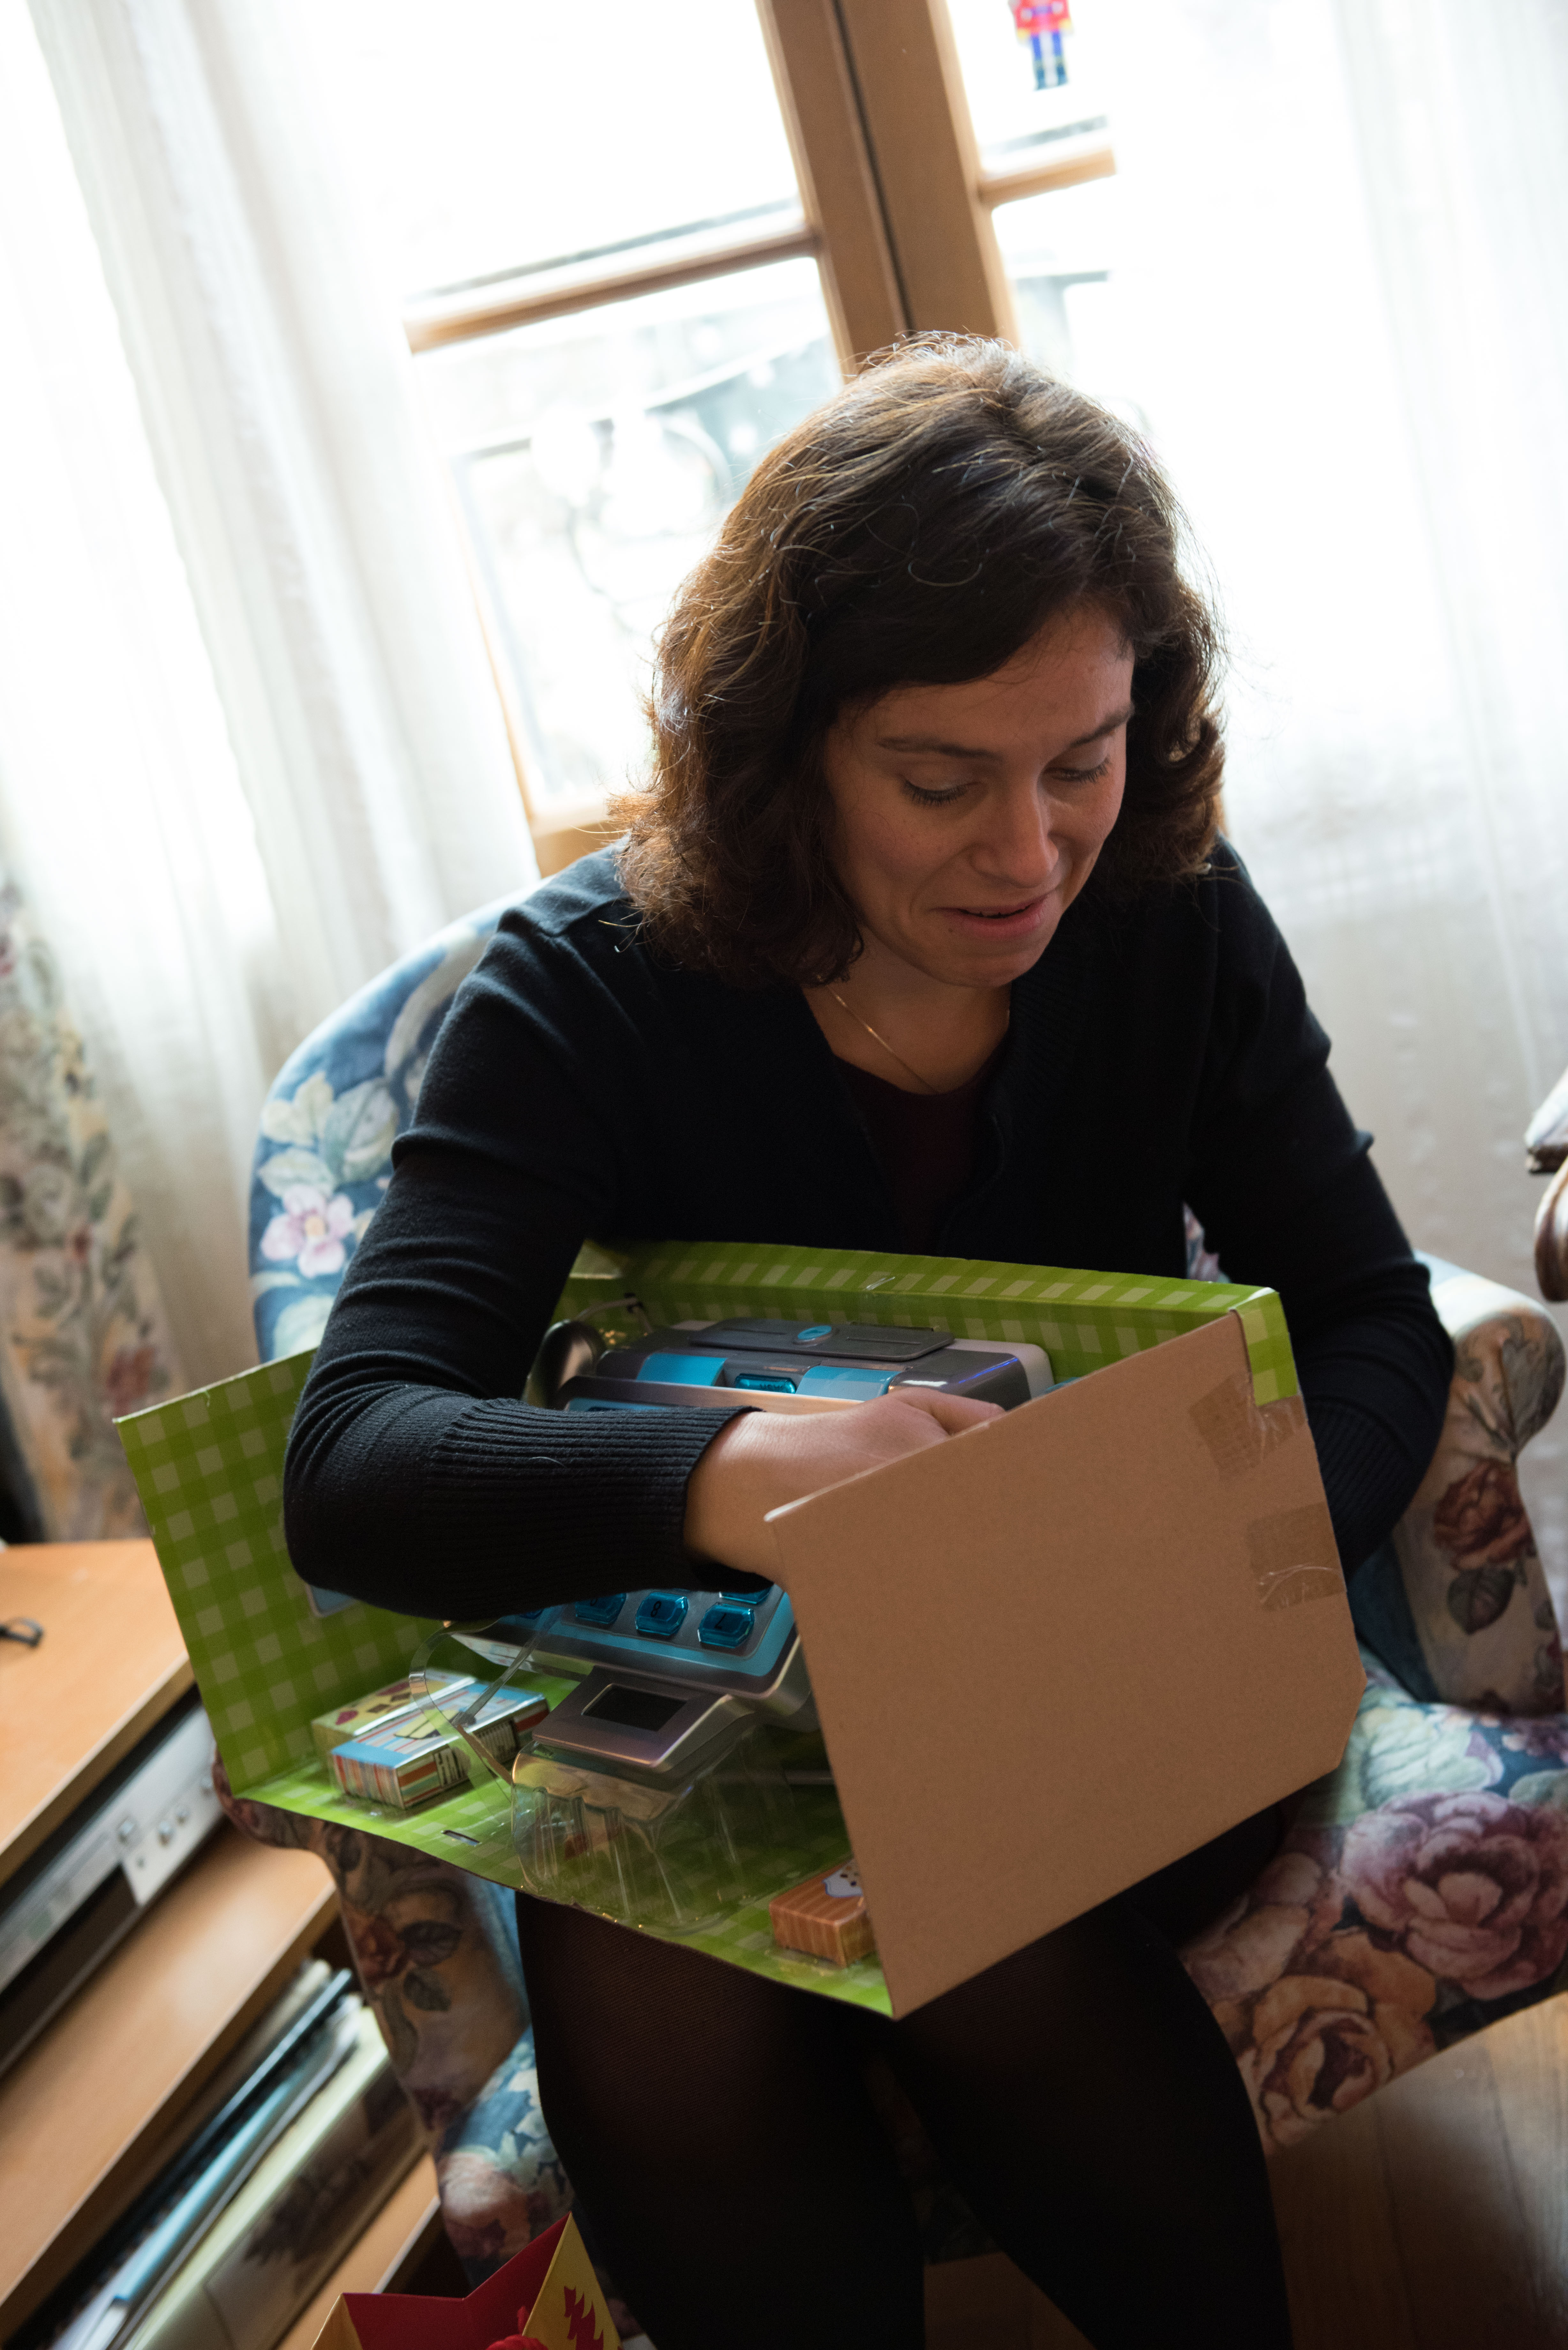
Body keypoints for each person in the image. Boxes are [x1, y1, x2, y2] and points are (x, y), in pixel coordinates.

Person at [286, 337, 1451, 2348]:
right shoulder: (583, 994)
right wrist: (726, 1474)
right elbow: (353, 1462)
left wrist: (1227, 1557)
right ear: (785, 754)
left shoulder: (1169, 919)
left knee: (975, 1889)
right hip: (725, 1748)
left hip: (1114, 1708)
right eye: (939, 780)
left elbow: (1364, 1311)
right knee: (642, 1951)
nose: (1031, 853)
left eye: (1084, 758)